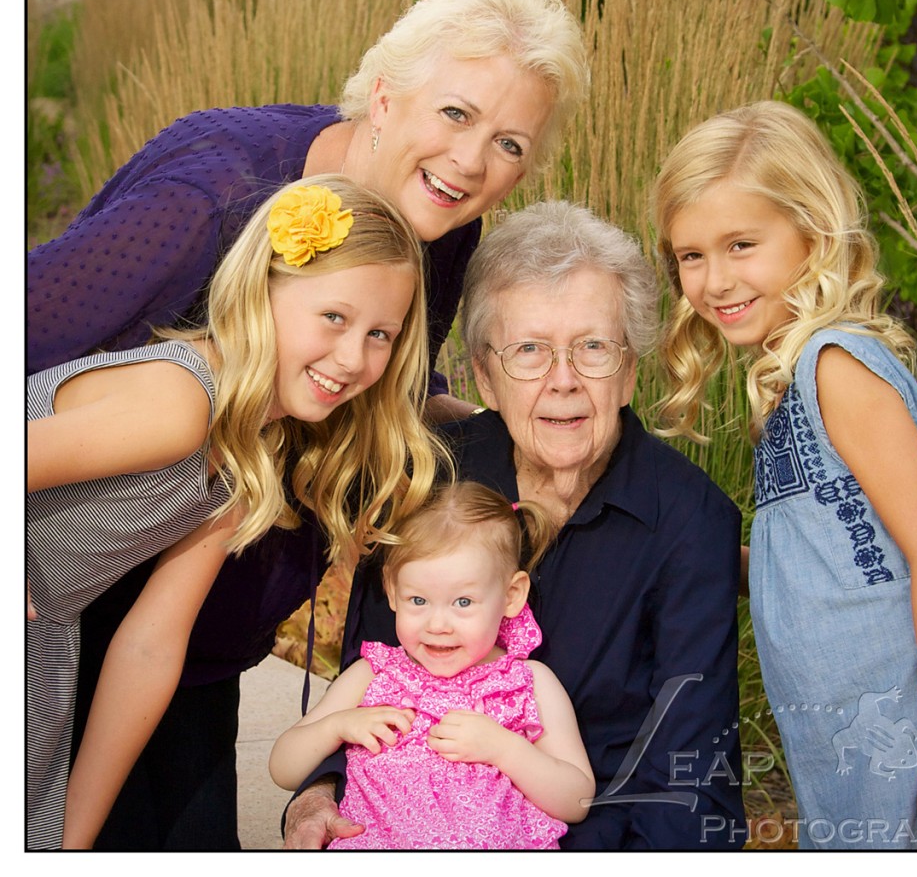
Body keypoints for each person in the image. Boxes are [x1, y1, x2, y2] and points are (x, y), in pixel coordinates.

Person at [27, 0, 589, 849]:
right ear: (383, 92)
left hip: (171, 634)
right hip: (63, 604)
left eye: (511, 142)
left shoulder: (429, 233)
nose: (476, 161)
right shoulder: (210, 205)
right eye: (455, 113)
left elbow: (386, 397)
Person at [288, 200, 747, 850]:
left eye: (592, 348)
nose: (563, 381)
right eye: (529, 351)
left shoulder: (690, 520)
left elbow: (693, 774)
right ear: (485, 374)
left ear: (629, 373)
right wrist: (315, 797)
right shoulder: (425, 481)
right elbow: (368, 681)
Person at [27, 177, 443, 849]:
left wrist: (70, 837)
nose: (352, 357)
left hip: (43, 645)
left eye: (380, 335)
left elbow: (151, 645)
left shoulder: (245, 465)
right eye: (333, 318)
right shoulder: (180, 404)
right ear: (264, 290)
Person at [651, 100, 917, 849]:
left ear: (814, 232)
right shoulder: (788, 381)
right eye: (691, 255)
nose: (715, 279)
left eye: (742, 243)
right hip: (848, 754)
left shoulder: (832, 366)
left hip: (910, 744)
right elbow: (826, 562)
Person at [270, 481, 595, 849]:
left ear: (511, 595)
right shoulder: (373, 675)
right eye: (419, 600)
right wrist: (338, 726)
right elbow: (283, 766)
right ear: (392, 590)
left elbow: (578, 799)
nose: (438, 624)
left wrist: (505, 749)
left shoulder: (526, 683)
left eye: (463, 602)